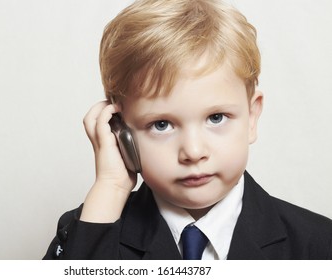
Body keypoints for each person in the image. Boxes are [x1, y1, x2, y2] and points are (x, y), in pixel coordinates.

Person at [43, 0, 332, 260]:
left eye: (216, 117)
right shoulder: (89, 229)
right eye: (161, 124)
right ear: (119, 131)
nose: (193, 152)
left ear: (252, 117)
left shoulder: (318, 244)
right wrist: (111, 186)